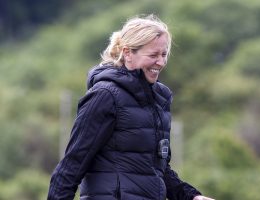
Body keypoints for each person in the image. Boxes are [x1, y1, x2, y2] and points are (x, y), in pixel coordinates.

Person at [47, 14, 214, 200]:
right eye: (153, 55)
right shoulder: (105, 95)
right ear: (127, 53)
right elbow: (72, 165)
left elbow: (156, 170)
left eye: (164, 54)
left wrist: (192, 196)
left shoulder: (160, 98)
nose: (160, 62)